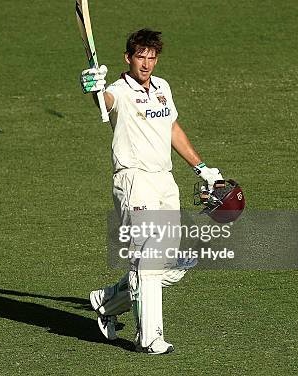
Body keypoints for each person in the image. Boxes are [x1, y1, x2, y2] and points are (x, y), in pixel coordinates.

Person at [79, 28, 223, 354]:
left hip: (164, 181)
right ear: (128, 58)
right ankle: (149, 337)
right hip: (134, 180)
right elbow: (106, 101)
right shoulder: (119, 90)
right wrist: (94, 88)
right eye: (140, 57)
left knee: (175, 263)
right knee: (150, 257)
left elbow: (171, 127)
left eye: (151, 58)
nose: (146, 64)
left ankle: (108, 301)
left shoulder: (162, 87)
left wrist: (201, 168)